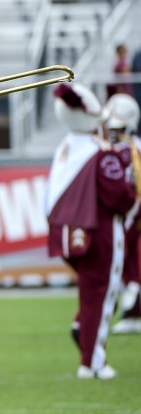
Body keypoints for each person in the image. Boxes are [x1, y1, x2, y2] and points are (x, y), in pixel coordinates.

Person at [45, 83, 138, 379]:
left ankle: (86, 344)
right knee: (102, 295)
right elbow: (119, 198)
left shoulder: (67, 148)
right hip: (102, 231)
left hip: (70, 232)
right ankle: (93, 361)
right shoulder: (102, 153)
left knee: (90, 296)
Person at [104, 93, 140, 334]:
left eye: (119, 127)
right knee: (125, 260)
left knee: (132, 260)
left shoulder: (135, 149)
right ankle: (133, 311)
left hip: (135, 210)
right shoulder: (116, 149)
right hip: (125, 211)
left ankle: (133, 305)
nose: (114, 132)